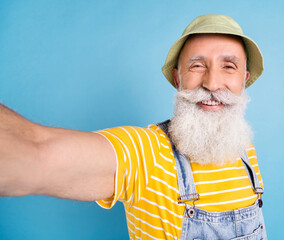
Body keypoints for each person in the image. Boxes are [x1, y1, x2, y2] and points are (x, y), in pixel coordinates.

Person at [0, 14, 266, 239]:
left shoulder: (244, 147)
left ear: (244, 79)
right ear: (178, 78)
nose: (212, 83)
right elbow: (36, 153)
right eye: (197, 65)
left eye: (228, 67)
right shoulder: (145, 153)